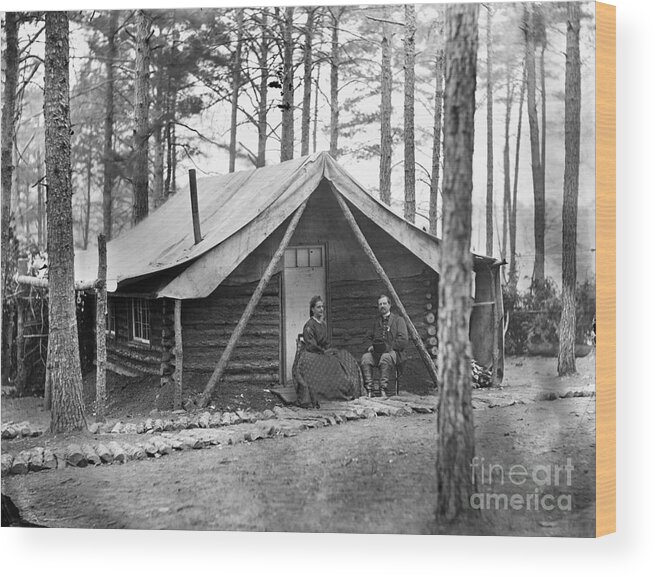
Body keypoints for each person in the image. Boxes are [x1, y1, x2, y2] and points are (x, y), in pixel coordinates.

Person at [293, 296, 362, 407]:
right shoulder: (309, 325)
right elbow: (311, 345)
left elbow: (325, 342)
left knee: (341, 359)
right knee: (323, 364)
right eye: (318, 307)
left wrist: (329, 349)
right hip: (312, 353)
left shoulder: (323, 324)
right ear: (312, 309)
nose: (321, 309)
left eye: (322, 307)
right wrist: (323, 351)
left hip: (323, 351)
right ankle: (319, 396)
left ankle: (340, 393)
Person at [360, 294, 408, 398]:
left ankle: (383, 390)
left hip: (393, 352)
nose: (382, 306)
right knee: (365, 358)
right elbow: (367, 338)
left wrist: (388, 347)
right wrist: (370, 347)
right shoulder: (376, 322)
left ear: (389, 305)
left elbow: (403, 340)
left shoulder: (398, 320)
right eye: (380, 304)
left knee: (385, 358)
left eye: (384, 303)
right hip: (376, 354)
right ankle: (369, 390)